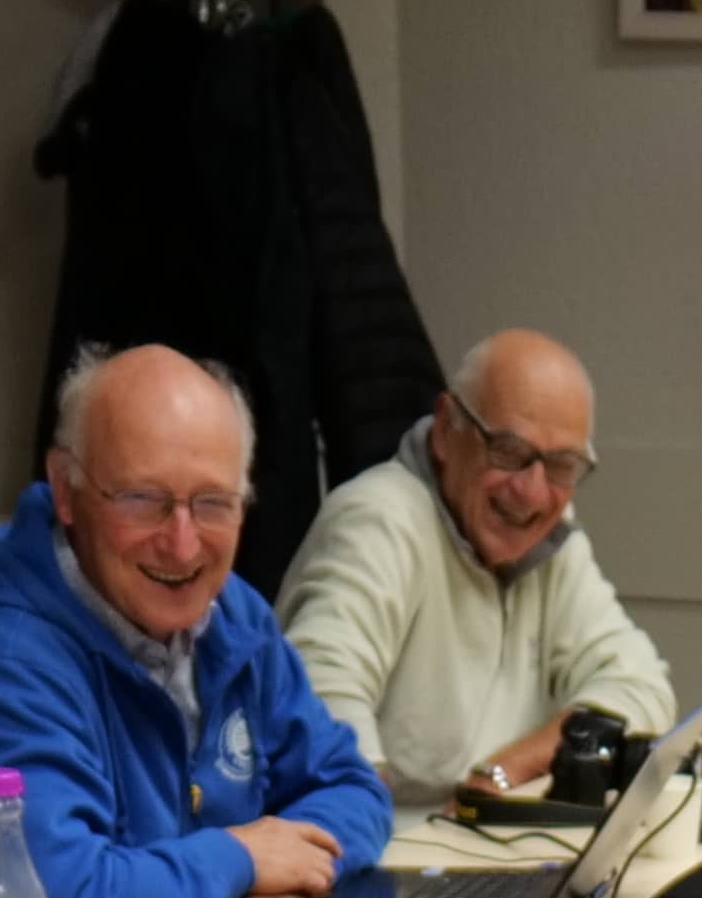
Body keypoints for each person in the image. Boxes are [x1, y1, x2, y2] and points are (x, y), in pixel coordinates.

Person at [0, 345, 391, 898]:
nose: (182, 542)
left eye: (213, 502)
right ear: (66, 491)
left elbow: (353, 788)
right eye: (143, 498)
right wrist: (240, 860)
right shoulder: (5, 658)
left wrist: (293, 877)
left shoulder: (233, 615)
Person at [274, 328, 676, 809]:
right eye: (508, 451)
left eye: (560, 465)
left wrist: (501, 774)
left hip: (477, 845)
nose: (530, 492)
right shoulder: (379, 520)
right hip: (381, 850)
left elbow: (642, 687)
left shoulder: (551, 537)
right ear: (447, 429)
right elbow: (320, 710)